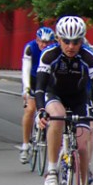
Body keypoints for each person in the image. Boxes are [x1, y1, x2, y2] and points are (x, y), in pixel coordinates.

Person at [35, 16, 93, 185]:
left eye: (76, 41)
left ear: (82, 40)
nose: (71, 46)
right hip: (55, 95)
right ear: (58, 39)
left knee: (82, 146)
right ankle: (52, 170)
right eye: (66, 41)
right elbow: (40, 87)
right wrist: (40, 110)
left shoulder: (88, 56)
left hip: (79, 99)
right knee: (58, 116)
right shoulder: (49, 55)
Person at [19, 26, 56, 163]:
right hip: (33, 80)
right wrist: (26, 88)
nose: (44, 45)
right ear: (37, 40)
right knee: (29, 110)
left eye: (48, 42)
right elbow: (25, 69)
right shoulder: (30, 48)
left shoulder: (55, 50)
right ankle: (25, 145)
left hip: (48, 80)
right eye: (42, 42)